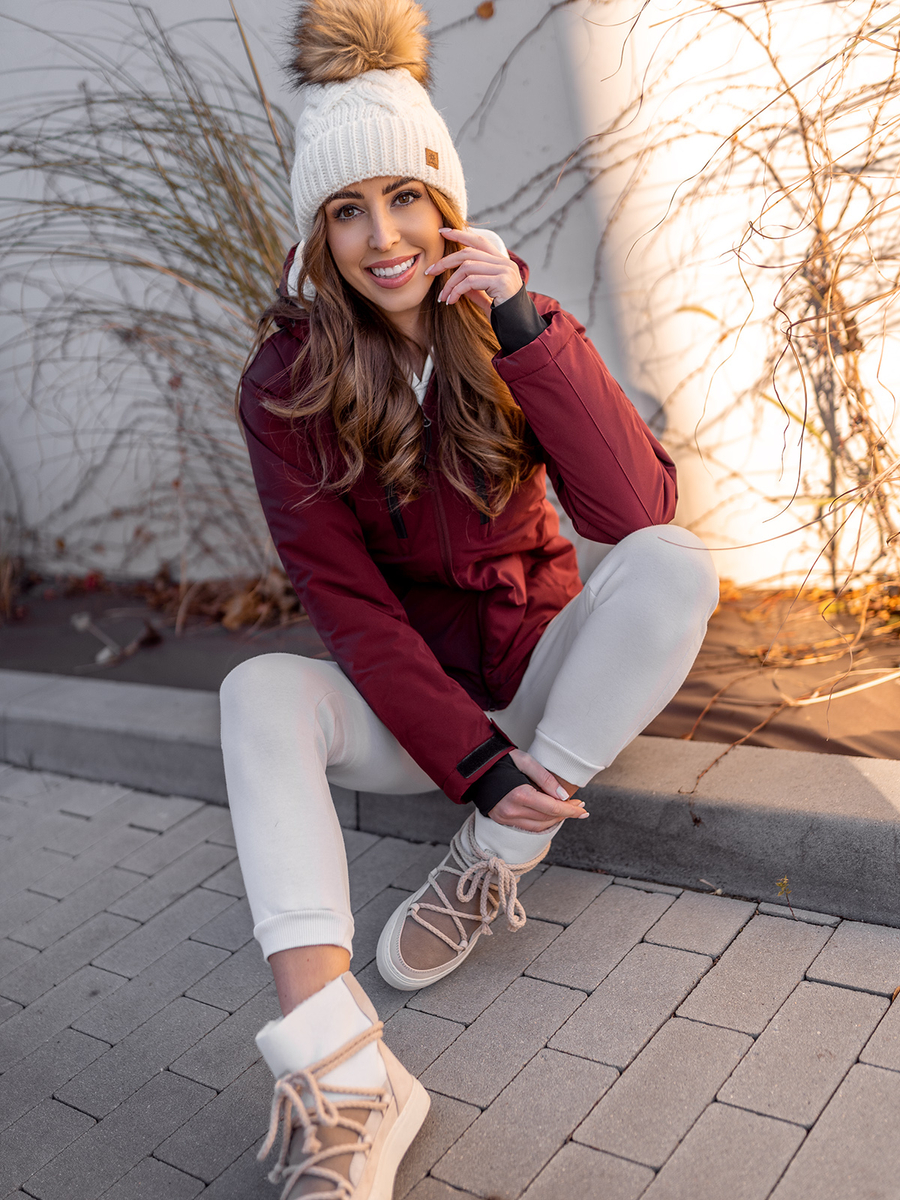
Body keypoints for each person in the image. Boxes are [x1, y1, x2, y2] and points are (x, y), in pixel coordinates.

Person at [220, 0, 719, 1195]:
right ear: (318, 233)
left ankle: (492, 857)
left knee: (675, 561)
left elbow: (634, 507)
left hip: (539, 682)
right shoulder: (286, 385)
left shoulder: (510, 322)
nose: (383, 236)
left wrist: (522, 326)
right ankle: (343, 1074)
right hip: (420, 717)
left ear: (444, 202)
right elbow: (348, 609)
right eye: (348, 210)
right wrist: (474, 763)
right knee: (257, 692)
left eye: (405, 197)